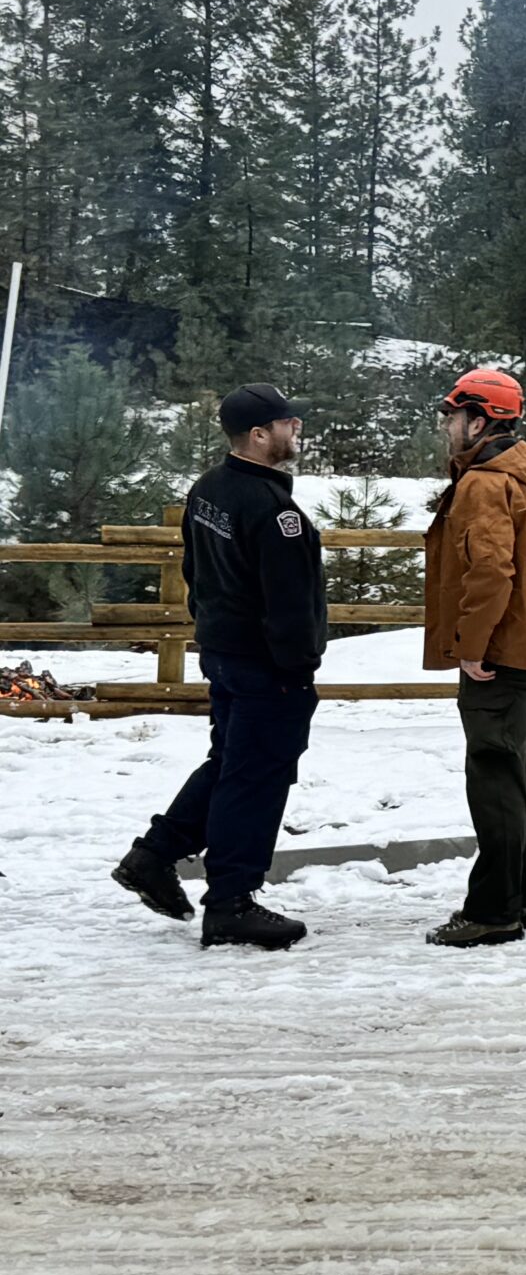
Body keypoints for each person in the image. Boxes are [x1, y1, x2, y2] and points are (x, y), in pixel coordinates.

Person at [112, 383, 328, 950]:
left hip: (225, 652)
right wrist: (299, 665)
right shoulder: (273, 511)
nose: (296, 429)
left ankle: (155, 854)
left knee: (233, 761)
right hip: (266, 664)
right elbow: (287, 601)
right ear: (259, 436)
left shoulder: (209, 488)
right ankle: (231, 901)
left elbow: (195, 569)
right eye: (287, 423)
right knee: (256, 776)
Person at [421, 367, 526, 948]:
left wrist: (472, 645)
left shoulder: (487, 483)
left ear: (480, 420)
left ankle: (493, 912)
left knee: (493, 778)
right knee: (512, 776)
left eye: (454, 417)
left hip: (502, 651)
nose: (447, 427)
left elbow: (489, 572)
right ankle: (517, 901)